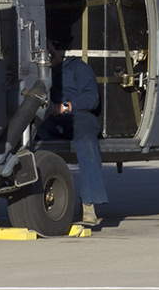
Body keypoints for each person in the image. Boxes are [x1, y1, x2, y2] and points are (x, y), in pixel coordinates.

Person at [40, 46, 109, 226]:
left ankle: (88, 203)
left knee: (86, 142)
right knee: (31, 143)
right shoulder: (39, 72)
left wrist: (65, 106)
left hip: (78, 116)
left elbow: (92, 98)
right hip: (50, 118)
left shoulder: (78, 67)